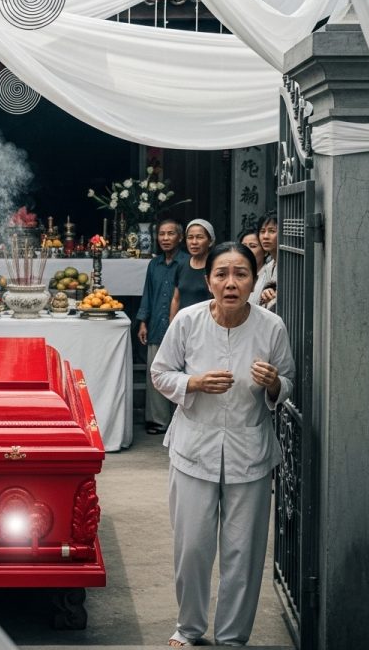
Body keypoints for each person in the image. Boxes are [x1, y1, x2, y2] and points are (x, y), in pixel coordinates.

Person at [151, 241, 294, 647]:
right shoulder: (189, 321)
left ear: (254, 280)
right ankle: (189, 627)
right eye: (222, 274)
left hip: (250, 453)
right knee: (192, 547)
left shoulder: (271, 326)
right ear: (208, 279)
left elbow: (289, 381)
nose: (231, 283)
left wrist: (274, 385)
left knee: (243, 554)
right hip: (193, 449)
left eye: (241, 274)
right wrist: (192, 383)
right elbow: (161, 372)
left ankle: (232, 637)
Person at [136, 219, 188, 435]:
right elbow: (147, 294)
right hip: (157, 324)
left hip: (181, 328)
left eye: (171, 234)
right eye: (162, 234)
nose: (165, 238)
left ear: (180, 237)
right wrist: (143, 321)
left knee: (182, 372)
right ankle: (158, 420)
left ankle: (181, 421)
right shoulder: (153, 264)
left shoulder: (187, 262)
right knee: (156, 371)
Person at [170, 218, 214, 317]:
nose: (194, 242)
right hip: (184, 324)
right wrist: (172, 327)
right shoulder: (181, 265)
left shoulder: (215, 267)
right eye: (190, 237)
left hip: (206, 323)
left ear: (210, 241)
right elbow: (176, 299)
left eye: (199, 237)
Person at [250, 211, 278, 311]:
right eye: (262, 231)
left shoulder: (289, 263)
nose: (265, 236)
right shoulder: (269, 266)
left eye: (272, 231)